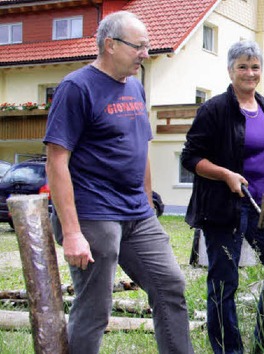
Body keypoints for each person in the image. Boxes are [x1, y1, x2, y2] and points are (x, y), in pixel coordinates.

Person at [43, 11, 194, 354]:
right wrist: (71, 231)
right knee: (95, 306)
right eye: (138, 46)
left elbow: (141, 148)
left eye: (147, 46)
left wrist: (147, 204)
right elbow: (56, 161)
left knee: (170, 286)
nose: (145, 53)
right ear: (110, 45)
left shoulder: (136, 87)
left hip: (136, 213)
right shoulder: (76, 88)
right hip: (93, 212)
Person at [181, 40, 264, 354]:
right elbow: (190, 158)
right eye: (242, 66)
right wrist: (226, 174)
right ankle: (228, 351)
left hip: (262, 206)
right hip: (225, 208)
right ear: (231, 70)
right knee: (224, 283)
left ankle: (263, 342)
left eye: (255, 66)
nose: (249, 73)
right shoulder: (215, 108)